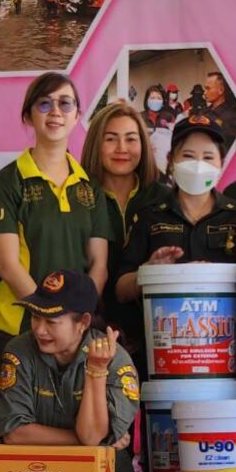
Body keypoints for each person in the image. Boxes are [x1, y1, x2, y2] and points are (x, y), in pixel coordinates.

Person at [0, 269, 140, 472]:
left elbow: (91, 435)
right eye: (35, 317)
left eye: (51, 321)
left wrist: (96, 371)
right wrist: (93, 443)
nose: (39, 329)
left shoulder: (115, 359)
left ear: (83, 322)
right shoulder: (19, 351)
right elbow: (14, 433)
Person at [0, 73, 110, 354]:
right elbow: (8, 265)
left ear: (77, 115)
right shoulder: (8, 182)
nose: (55, 112)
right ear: (28, 116)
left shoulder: (90, 187)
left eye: (65, 104)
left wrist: (75, 320)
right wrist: (50, 320)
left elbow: (99, 265)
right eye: (44, 103)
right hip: (18, 329)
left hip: (75, 331)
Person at [116, 117, 236, 304]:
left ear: (221, 163)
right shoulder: (149, 215)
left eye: (208, 157)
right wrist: (149, 272)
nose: (198, 165)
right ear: (171, 161)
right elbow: (120, 289)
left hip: (224, 321)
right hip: (163, 319)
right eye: (188, 156)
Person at [79, 101, 164, 367]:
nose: (122, 149)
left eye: (131, 139)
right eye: (111, 139)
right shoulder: (79, 196)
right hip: (91, 328)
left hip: (156, 331)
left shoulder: (163, 197)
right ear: (96, 144)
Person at [203, 72, 236, 149]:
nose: (204, 93)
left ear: (221, 90)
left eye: (208, 88)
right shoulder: (204, 112)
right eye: (205, 89)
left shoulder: (233, 116)